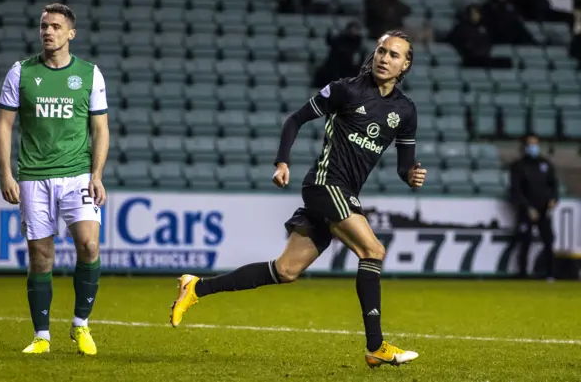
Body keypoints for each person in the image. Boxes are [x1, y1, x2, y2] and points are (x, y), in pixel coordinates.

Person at [170, 30, 426, 368]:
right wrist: (282, 161)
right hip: (325, 184)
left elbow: (404, 165)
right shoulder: (345, 89)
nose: (384, 58)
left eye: (394, 55)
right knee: (373, 251)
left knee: (286, 270)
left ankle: (197, 288)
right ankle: (376, 346)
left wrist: (411, 176)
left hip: (343, 191)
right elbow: (295, 119)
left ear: (405, 64)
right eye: (381, 51)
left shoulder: (405, 111)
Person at [0, 3, 109, 355]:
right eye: (44, 26)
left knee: (89, 245)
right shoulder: (21, 73)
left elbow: (100, 128)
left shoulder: (90, 74)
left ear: (71, 33)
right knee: (40, 256)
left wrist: (97, 175)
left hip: (77, 174)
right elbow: (3, 125)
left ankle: (81, 325)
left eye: (56, 27)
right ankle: (42, 336)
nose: (48, 31)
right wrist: (5, 174)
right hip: (33, 177)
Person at [509, 133, 559, 280]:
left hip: (544, 209)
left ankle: (549, 273)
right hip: (527, 210)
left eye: (535, 144)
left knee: (549, 240)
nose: (533, 148)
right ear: (524, 147)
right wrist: (527, 207)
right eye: (530, 145)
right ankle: (523, 273)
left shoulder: (545, 164)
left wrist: (554, 199)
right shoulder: (518, 166)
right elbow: (515, 190)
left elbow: (553, 184)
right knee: (525, 240)